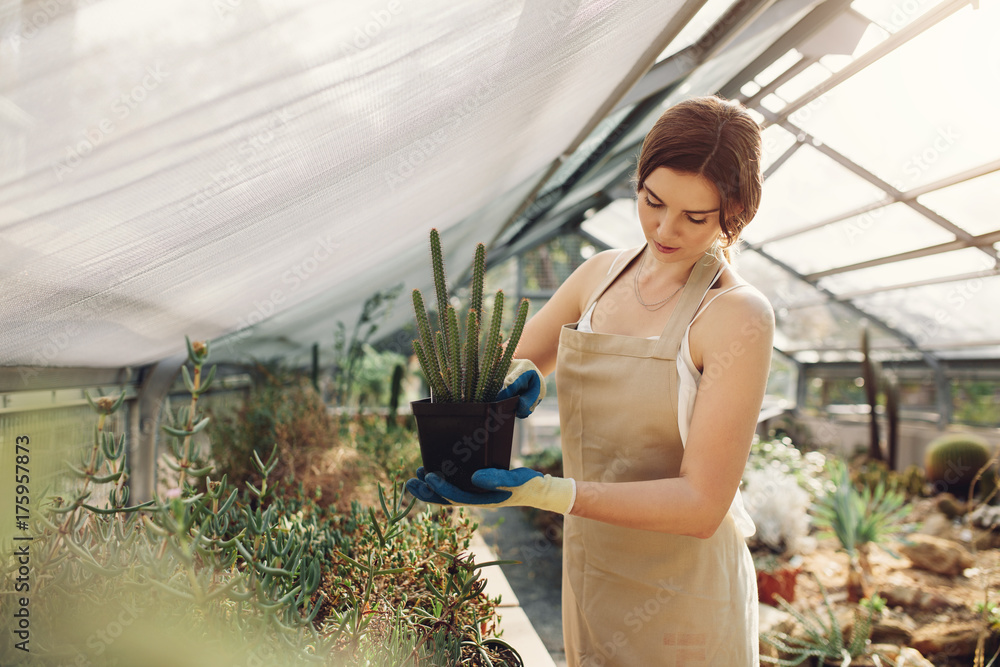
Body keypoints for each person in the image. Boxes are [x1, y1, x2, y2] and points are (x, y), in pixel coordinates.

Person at [407, 95, 772, 666]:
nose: (665, 228)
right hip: (592, 569)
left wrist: (549, 492)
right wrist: (505, 387)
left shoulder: (735, 315)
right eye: (652, 201)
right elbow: (503, 370)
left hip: (686, 600)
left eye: (695, 218)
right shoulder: (598, 279)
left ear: (735, 214)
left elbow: (703, 506)